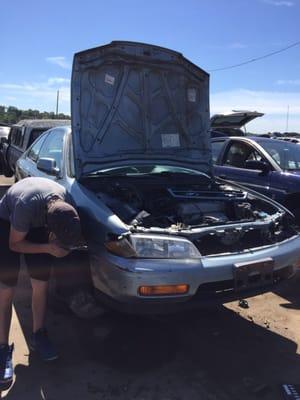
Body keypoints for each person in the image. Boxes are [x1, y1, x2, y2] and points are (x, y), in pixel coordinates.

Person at [0, 177, 84, 391]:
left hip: (41, 224)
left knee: (41, 283)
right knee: (7, 288)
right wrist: (47, 248)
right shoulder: (25, 206)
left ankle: (39, 335)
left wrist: (62, 247)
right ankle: (2, 348)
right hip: (7, 222)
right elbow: (14, 244)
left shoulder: (68, 205)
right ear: (51, 231)